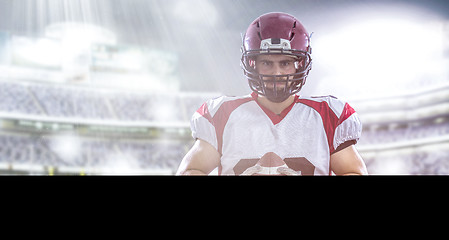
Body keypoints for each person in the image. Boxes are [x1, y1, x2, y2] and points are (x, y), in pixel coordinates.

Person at [176, 12, 368, 175]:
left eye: (284, 63)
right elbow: (192, 170)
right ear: (253, 64)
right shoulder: (222, 114)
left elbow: (352, 171)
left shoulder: (328, 115)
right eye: (267, 63)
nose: (276, 73)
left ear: (299, 65)